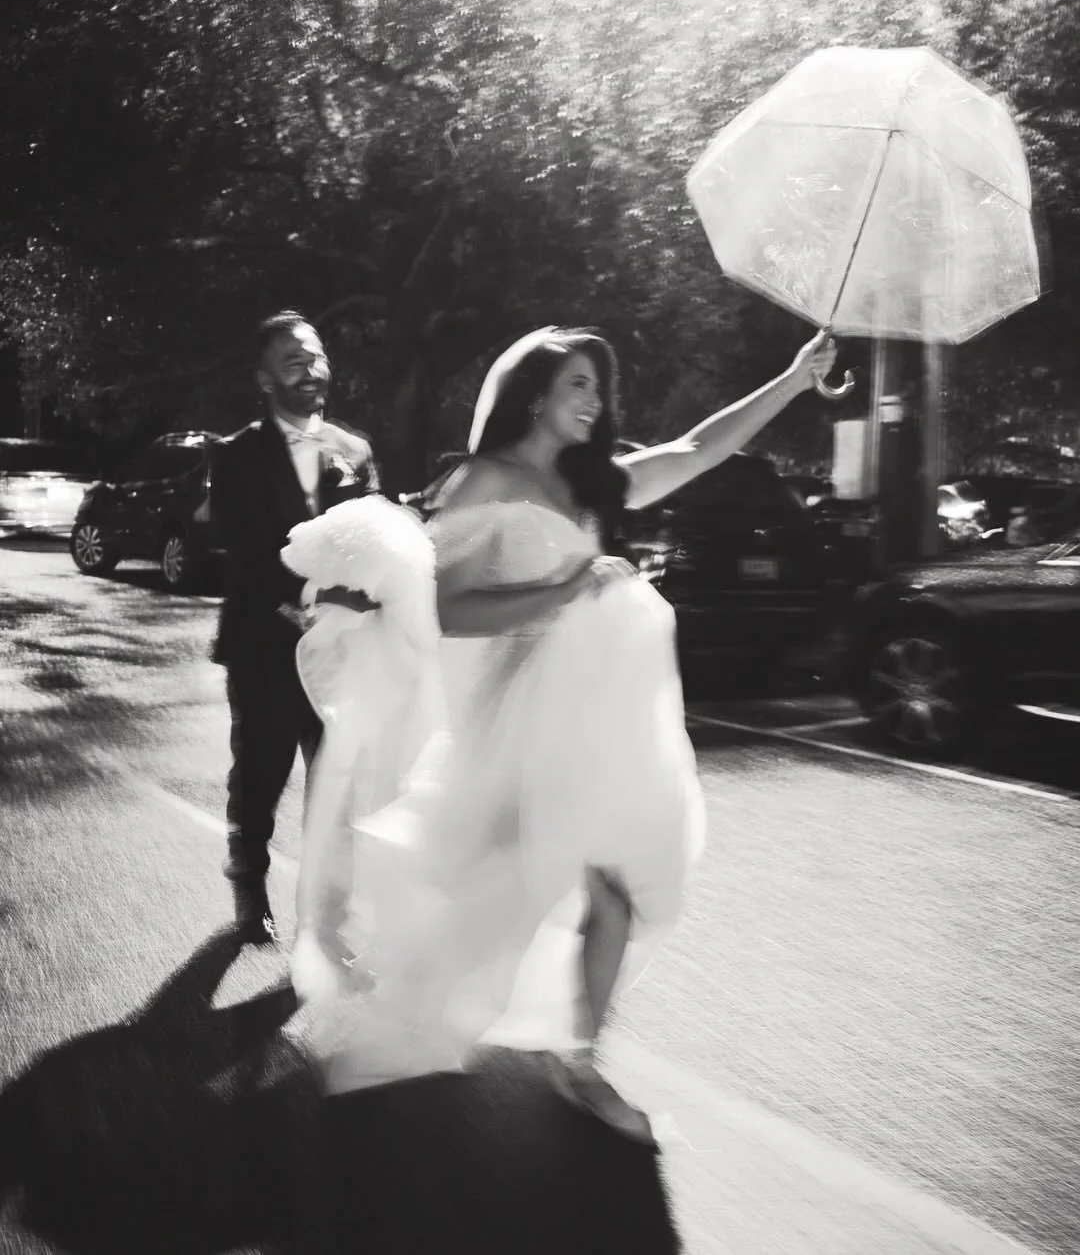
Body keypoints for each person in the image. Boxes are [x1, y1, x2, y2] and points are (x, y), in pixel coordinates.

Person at [295, 323, 836, 1142]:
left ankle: (581, 1062)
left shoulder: (591, 486)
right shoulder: (485, 482)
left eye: (599, 388)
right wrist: (567, 589)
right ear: (535, 395)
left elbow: (694, 448)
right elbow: (444, 609)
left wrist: (794, 378)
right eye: (580, 384)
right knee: (493, 892)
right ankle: (420, 1007)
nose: (595, 401)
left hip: (593, 723)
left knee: (613, 892)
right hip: (513, 726)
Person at [210, 310, 380, 945]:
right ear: (264, 378)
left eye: (316, 357)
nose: (312, 370)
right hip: (265, 647)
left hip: (342, 653)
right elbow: (251, 552)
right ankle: (249, 881)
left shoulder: (355, 451)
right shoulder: (234, 456)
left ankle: (327, 922)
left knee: (338, 789)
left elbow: (370, 539)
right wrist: (303, 604)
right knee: (262, 775)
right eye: (293, 361)